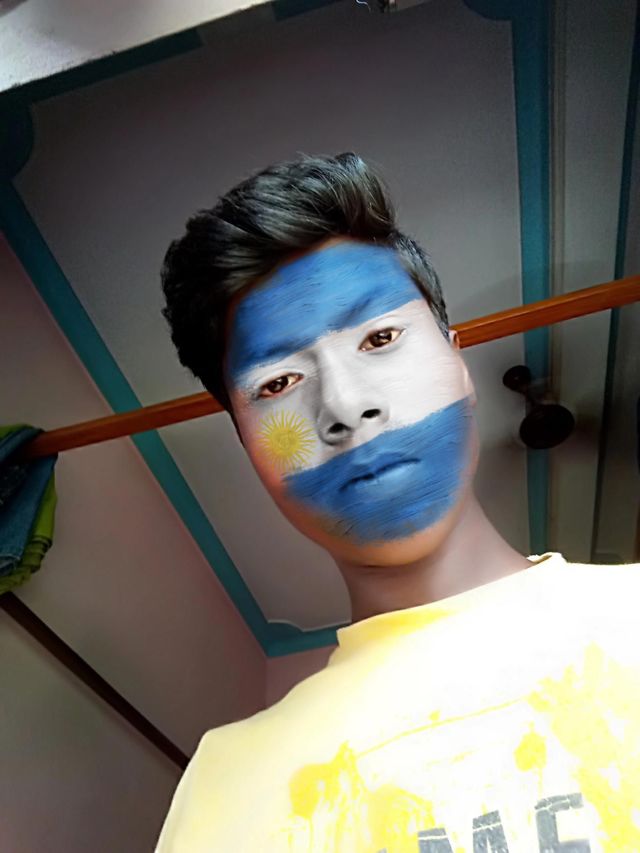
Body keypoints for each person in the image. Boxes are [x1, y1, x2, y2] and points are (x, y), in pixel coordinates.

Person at [156, 153, 640, 852]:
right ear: (246, 441)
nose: (346, 405)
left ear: (457, 360)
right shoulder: (223, 786)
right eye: (279, 383)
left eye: (380, 339)